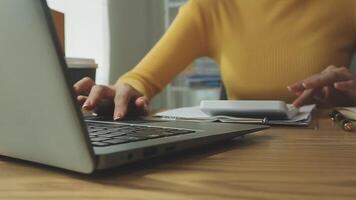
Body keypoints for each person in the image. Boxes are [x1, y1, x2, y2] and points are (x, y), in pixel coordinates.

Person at [74, 0, 356, 120]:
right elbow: (140, 79)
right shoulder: (211, 6)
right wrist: (123, 93)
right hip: (238, 154)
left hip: (327, 151)